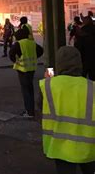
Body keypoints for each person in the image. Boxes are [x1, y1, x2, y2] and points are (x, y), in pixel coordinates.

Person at [40, 46, 95, 174]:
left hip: (60, 146)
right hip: (89, 147)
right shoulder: (92, 86)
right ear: (79, 63)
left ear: (59, 64)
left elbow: (39, 109)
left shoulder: (48, 84)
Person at [9, 28, 43, 118]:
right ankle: (30, 109)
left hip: (22, 69)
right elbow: (41, 51)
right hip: (31, 68)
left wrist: (16, 60)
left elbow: (11, 53)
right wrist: (34, 57)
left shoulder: (18, 44)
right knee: (30, 89)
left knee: (25, 91)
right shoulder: (32, 42)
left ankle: (29, 112)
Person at [74, 16, 95, 81]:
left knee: (83, 76)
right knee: (93, 76)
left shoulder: (83, 30)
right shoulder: (92, 28)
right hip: (92, 56)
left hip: (84, 56)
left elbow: (78, 45)